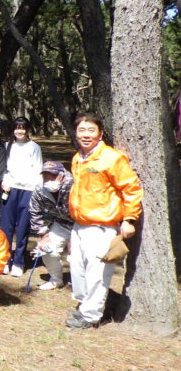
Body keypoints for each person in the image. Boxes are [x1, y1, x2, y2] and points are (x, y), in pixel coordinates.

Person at [66, 113, 142, 329]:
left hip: (101, 226)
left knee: (97, 274)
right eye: (82, 130)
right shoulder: (78, 158)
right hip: (79, 225)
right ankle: (87, 305)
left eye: (91, 130)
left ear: (100, 133)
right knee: (78, 271)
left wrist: (129, 219)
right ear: (76, 133)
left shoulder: (112, 158)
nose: (86, 135)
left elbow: (131, 189)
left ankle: (90, 316)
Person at [0, 117, 42, 277]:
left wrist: (37, 192)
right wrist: (4, 182)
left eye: (22, 128)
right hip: (10, 190)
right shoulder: (7, 146)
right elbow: (3, 168)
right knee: (6, 227)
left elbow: (39, 170)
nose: (19, 131)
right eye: (17, 128)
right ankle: (5, 260)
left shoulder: (34, 147)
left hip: (28, 191)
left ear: (27, 130)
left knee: (23, 227)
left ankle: (18, 262)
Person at [29, 161, 75, 291]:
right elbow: (34, 211)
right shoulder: (40, 189)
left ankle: (79, 284)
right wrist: (44, 235)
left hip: (81, 225)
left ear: (62, 175)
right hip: (60, 224)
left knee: (77, 256)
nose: (48, 180)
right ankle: (56, 280)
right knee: (46, 248)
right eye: (45, 177)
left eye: (52, 177)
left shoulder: (75, 185)